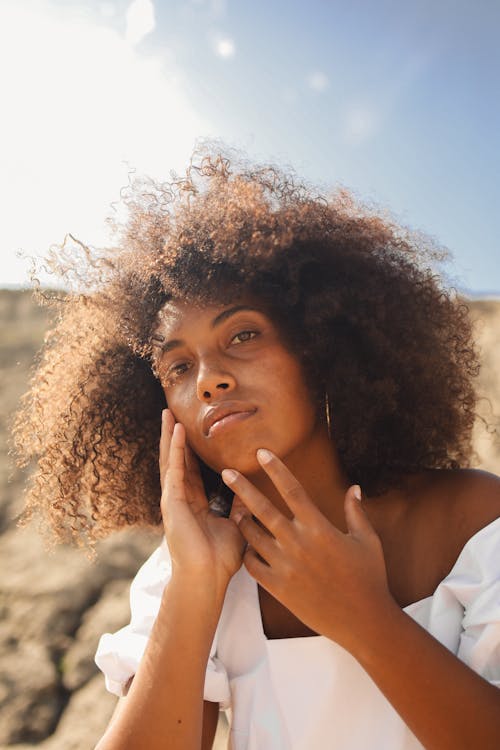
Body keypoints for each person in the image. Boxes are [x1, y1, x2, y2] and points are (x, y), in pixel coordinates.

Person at [12, 149, 500, 749]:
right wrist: (195, 588)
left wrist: (364, 618)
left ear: (321, 351)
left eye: (243, 335)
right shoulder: (188, 568)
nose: (209, 379)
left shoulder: (473, 518)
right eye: (178, 366)